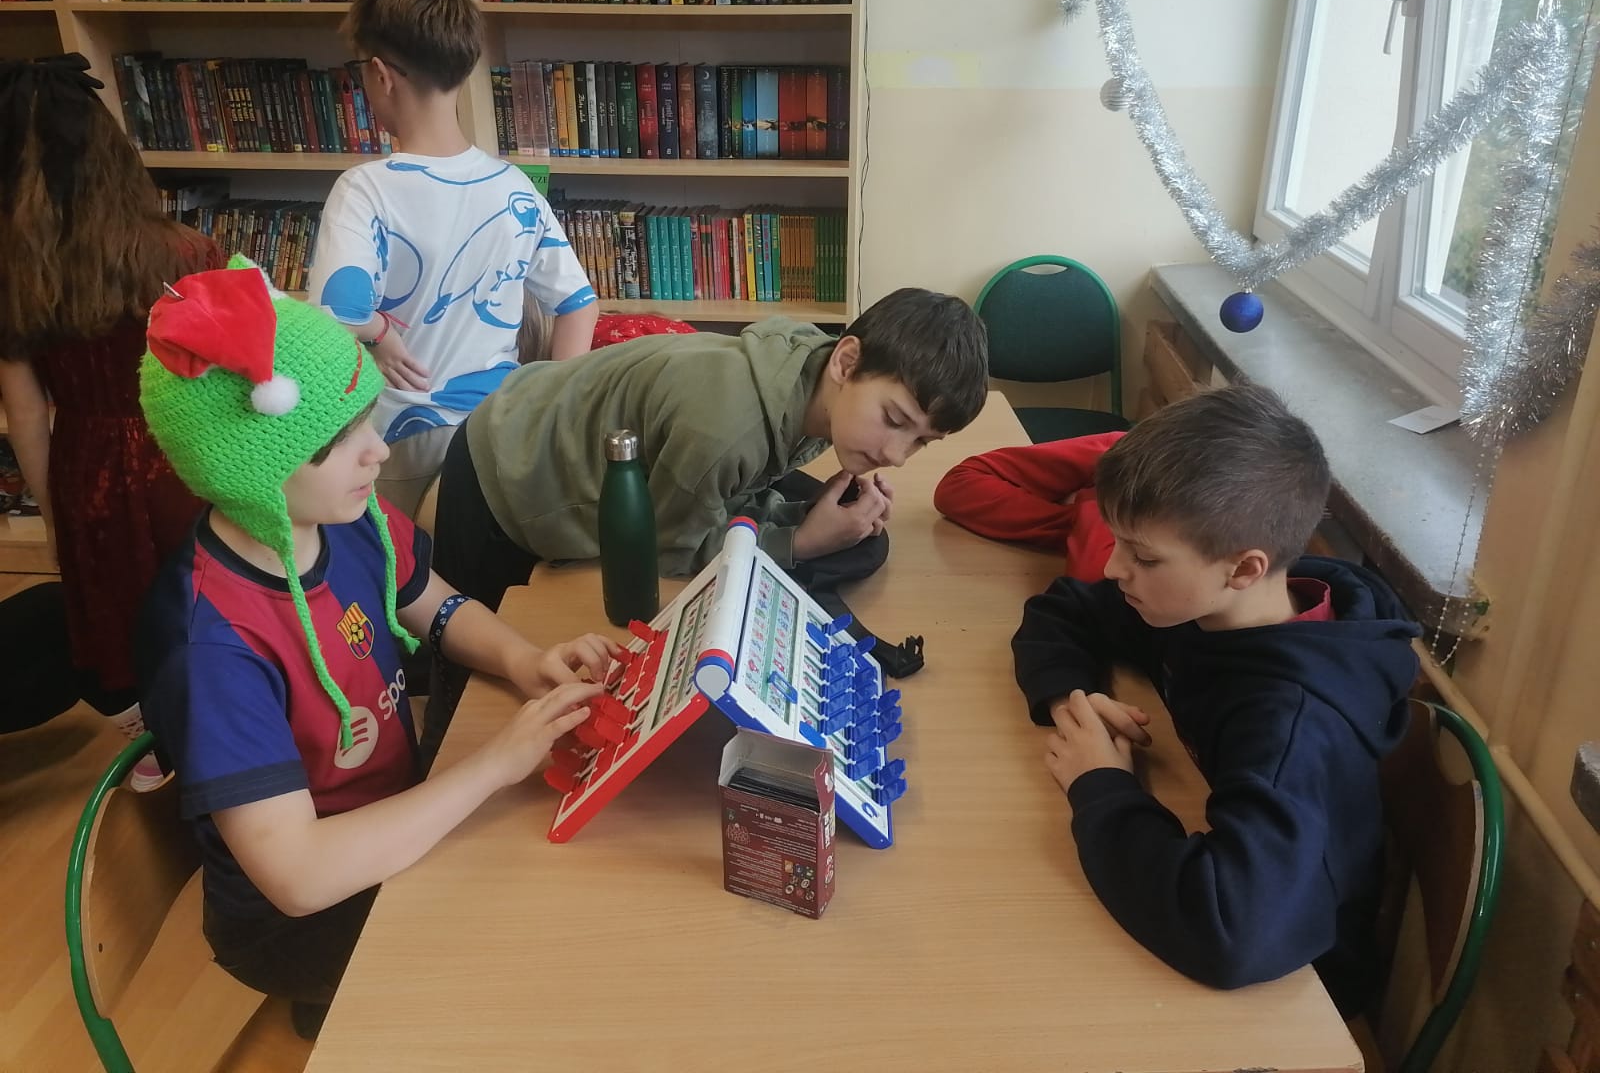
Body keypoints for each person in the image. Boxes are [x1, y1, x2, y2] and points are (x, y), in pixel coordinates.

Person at [135, 264, 617, 1034]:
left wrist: (522, 659)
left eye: (367, 420)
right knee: (538, 944)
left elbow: (434, 604)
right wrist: (493, 765)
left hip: (393, 819)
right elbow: (298, 877)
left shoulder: (346, 519)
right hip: (294, 918)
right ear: (254, 469)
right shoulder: (213, 646)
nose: (378, 453)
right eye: (339, 440)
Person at [1010, 384, 1419, 1017]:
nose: (1115, 569)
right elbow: (1066, 609)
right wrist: (1073, 697)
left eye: (1143, 556)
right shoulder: (1205, 604)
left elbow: (1233, 933)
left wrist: (1100, 786)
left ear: (1244, 568)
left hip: (1298, 995)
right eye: (1118, 542)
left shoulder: (1292, 724)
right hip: (1235, 876)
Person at [424, 287, 990, 741]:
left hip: (555, 424)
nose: (896, 454)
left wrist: (801, 516)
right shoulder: (726, 429)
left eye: (921, 441)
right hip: (506, 468)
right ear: (847, 361)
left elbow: (734, 490)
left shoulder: (816, 381)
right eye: (894, 420)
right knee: (474, 684)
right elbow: (669, 552)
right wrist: (802, 541)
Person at [0, 53, 223, 783]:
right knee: (206, 598)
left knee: (116, 610)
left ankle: (152, 748)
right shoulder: (187, 251)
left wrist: (57, 515)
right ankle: (229, 731)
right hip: (185, 452)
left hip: (85, 465)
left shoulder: (17, 273)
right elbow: (224, 371)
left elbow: (25, 412)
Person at [307, 0, 598, 516]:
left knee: (406, 562)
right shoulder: (513, 186)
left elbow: (334, 316)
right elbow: (578, 304)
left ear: (380, 75)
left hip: (398, 438)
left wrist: (379, 333)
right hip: (498, 435)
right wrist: (549, 407)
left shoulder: (365, 189)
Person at [933, 430, 1123, 581]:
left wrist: (1090, 520)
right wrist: (1084, 520)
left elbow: (1091, 576)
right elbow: (958, 486)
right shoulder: (1123, 456)